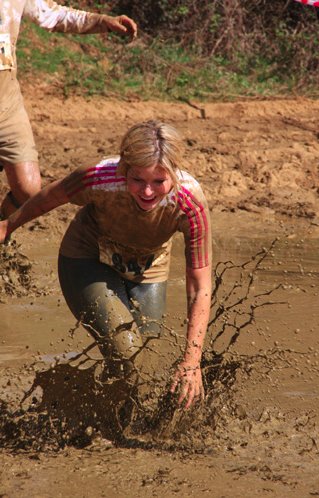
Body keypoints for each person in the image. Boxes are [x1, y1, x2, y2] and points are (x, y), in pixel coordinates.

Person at [0, 120, 212, 410]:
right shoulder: (99, 177)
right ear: (124, 170)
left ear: (173, 175)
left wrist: (192, 361)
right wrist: (8, 225)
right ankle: (74, 411)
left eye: (158, 182)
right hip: (88, 257)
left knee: (144, 372)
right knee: (128, 351)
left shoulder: (189, 202)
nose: (147, 192)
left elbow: (200, 286)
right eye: (137, 180)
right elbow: (51, 196)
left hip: (148, 268)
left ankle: (102, 417)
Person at [0, 0, 137, 218]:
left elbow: (53, 15)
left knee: (29, 191)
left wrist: (101, 21)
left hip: (7, 106)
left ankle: (2, 231)